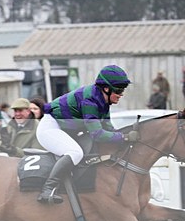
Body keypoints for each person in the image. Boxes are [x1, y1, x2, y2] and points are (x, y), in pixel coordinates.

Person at [36, 64, 136, 204]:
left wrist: (126, 137)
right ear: (106, 89)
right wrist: (124, 137)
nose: (121, 94)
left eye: (123, 90)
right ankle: (48, 189)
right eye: (119, 90)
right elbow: (98, 134)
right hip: (50, 128)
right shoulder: (90, 101)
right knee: (75, 152)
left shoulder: (103, 101)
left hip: (65, 129)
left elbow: (109, 129)